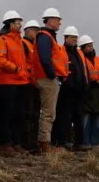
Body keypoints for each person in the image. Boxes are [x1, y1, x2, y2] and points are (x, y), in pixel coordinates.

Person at [0, 10, 30, 156]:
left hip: (21, 83)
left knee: (19, 114)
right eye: (17, 22)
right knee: (6, 114)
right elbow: (0, 59)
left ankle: (17, 143)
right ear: (10, 24)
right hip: (7, 83)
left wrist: (25, 71)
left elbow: (23, 60)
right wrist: (16, 69)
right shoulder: (2, 40)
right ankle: (6, 144)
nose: (20, 25)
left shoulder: (19, 41)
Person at [33, 8, 67, 154]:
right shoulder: (45, 37)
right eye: (58, 19)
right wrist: (52, 75)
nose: (60, 22)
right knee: (48, 113)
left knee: (48, 112)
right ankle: (44, 144)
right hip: (47, 79)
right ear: (50, 20)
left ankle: (44, 143)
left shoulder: (47, 37)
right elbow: (45, 58)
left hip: (47, 77)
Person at [53, 26, 87, 149]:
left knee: (78, 117)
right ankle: (62, 142)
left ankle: (79, 143)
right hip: (66, 90)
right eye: (72, 37)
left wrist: (84, 85)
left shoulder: (78, 53)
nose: (74, 40)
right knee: (64, 117)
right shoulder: (61, 51)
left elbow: (82, 70)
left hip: (79, 90)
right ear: (65, 38)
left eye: (75, 38)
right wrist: (66, 84)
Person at [79, 35, 99, 149]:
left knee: (97, 121)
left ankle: (95, 144)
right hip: (86, 94)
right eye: (88, 46)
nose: (91, 48)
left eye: (91, 45)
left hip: (98, 95)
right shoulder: (81, 59)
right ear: (83, 47)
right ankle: (85, 143)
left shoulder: (98, 59)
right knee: (86, 120)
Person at [20, 19, 41, 152]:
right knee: (28, 114)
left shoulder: (34, 46)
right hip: (27, 84)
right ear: (28, 31)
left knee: (34, 114)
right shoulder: (24, 44)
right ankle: (26, 143)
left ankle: (32, 143)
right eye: (36, 30)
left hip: (35, 84)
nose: (38, 33)